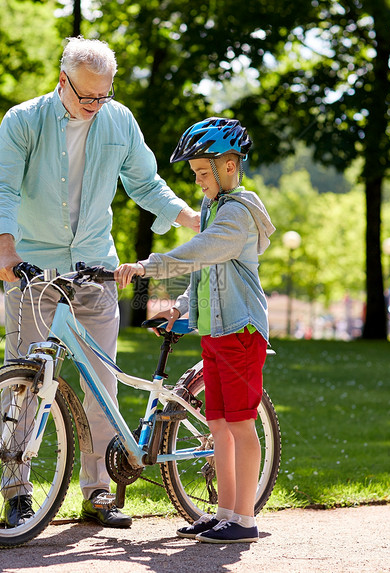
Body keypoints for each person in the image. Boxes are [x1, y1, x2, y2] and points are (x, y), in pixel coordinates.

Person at [0, 37, 200, 529]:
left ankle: (98, 491)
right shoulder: (23, 121)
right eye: (87, 98)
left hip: (95, 267)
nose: (96, 106)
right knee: (24, 381)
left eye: (104, 95)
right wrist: (5, 250)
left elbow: (146, 184)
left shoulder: (118, 120)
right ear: (63, 81)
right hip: (33, 269)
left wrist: (193, 222)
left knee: (101, 386)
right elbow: (3, 187)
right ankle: (17, 490)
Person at [114, 117, 275, 543]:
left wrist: (150, 266)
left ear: (228, 165)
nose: (199, 181)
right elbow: (206, 275)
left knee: (241, 425)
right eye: (195, 174)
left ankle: (244, 520)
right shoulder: (212, 208)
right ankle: (223, 512)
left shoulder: (238, 212)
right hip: (217, 330)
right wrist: (179, 308)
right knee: (219, 424)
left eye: (203, 172)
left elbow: (203, 251)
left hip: (241, 331)